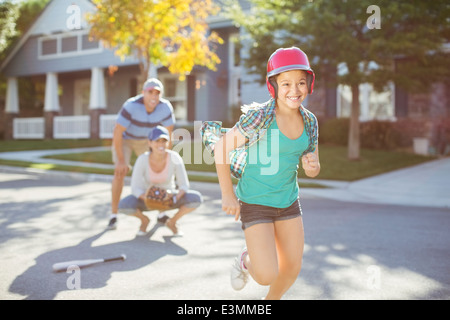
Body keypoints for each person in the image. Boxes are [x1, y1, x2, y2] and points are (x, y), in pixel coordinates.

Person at [201, 47, 320, 300]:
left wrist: (313, 167)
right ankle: (246, 260)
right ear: (273, 86)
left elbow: (313, 165)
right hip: (255, 202)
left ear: (309, 83)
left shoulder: (310, 121)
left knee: (291, 268)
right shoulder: (261, 117)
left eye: (300, 82)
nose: (294, 90)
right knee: (266, 274)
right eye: (286, 83)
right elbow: (222, 148)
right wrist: (227, 194)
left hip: (288, 202)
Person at [108, 78, 176, 230]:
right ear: (143, 93)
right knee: (120, 173)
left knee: (156, 171)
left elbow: (169, 134)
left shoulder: (165, 107)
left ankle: (161, 213)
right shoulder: (131, 106)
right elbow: (118, 132)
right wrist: (121, 160)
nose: (154, 96)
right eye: (150, 92)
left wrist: (164, 156)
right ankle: (113, 215)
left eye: (157, 93)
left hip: (147, 140)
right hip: (126, 140)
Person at [118, 125, 203, 236]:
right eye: (157, 141)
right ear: (149, 143)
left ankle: (172, 222)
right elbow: (135, 188)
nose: (161, 144)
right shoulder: (142, 159)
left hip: (170, 198)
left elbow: (184, 185)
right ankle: (144, 221)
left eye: (164, 141)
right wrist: (150, 198)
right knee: (124, 205)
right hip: (147, 199)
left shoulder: (174, 157)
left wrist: (173, 198)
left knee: (195, 198)